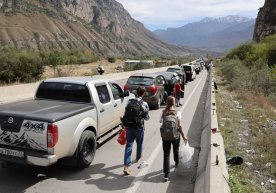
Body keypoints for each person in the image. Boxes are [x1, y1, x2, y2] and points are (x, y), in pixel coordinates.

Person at [122, 86, 150, 175]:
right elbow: (146, 117)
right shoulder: (144, 103)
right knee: (139, 143)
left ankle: (126, 166)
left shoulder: (129, 101)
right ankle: (138, 158)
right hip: (139, 127)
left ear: (136, 92)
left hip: (129, 126)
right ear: (144, 93)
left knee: (129, 145)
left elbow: (125, 112)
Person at [160, 96, 187, 182]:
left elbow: (160, 122)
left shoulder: (163, 112)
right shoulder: (177, 113)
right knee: (176, 149)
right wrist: (184, 136)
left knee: (166, 155)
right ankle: (176, 162)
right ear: (174, 103)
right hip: (175, 136)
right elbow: (179, 126)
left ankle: (166, 175)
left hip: (165, 137)